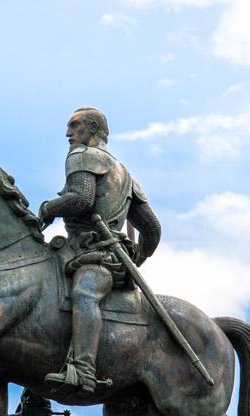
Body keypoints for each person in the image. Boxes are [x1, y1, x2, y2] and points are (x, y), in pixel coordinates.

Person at [39, 107, 161, 393]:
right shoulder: (127, 176)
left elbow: (81, 199)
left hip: (96, 257)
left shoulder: (83, 156)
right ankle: (35, 395)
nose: (68, 133)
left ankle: (83, 370)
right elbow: (152, 229)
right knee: (33, 295)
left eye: (74, 126)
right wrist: (136, 257)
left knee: (84, 294)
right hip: (87, 254)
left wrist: (48, 208)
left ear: (92, 128)